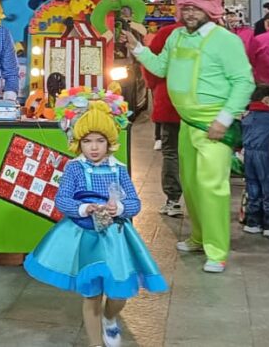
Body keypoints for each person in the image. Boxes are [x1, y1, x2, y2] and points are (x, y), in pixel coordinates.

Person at [126, 0, 255, 273]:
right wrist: (138, 49)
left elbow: (244, 82)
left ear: (211, 7)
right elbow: (161, 67)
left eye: (196, 7)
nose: (190, 13)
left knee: (212, 188)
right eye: (185, 7)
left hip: (213, 127)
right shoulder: (176, 37)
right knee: (192, 186)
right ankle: (199, 237)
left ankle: (216, 251)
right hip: (186, 123)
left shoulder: (226, 41)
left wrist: (224, 119)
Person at [23, 86, 166, 347]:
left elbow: (134, 203)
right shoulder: (74, 168)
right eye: (88, 141)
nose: (94, 147)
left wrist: (118, 208)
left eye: (100, 140)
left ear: (109, 141)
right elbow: (62, 199)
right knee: (91, 293)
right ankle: (95, 343)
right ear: (79, 142)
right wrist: (84, 208)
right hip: (85, 237)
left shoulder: (118, 169)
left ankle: (110, 317)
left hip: (115, 238)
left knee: (119, 294)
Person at [142, 22, 182, 216]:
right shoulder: (213, 32)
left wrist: (155, 87)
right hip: (203, 106)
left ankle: (173, 200)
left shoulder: (167, 32)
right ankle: (202, 203)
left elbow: (151, 64)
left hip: (170, 101)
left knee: (171, 152)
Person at [240, 85, 269, 239]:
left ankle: (252, 223)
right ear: (266, 100)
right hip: (264, 155)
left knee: (252, 187)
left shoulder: (246, 116)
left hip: (247, 154)